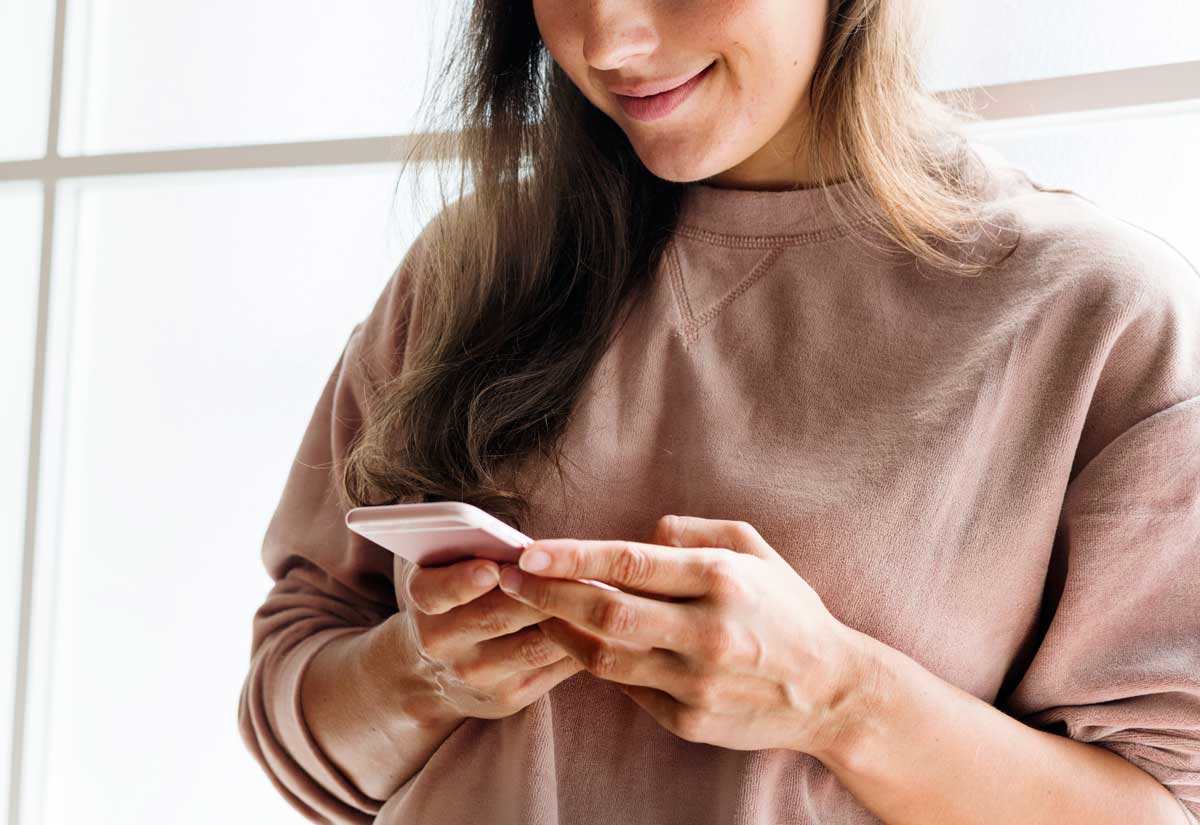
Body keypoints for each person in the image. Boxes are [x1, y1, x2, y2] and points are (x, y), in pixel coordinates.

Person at [237, 1, 1200, 823]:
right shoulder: (471, 273)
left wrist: (841, 699)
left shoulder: (1097, 313)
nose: (608, 40)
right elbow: (297, 708)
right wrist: (422, 670)